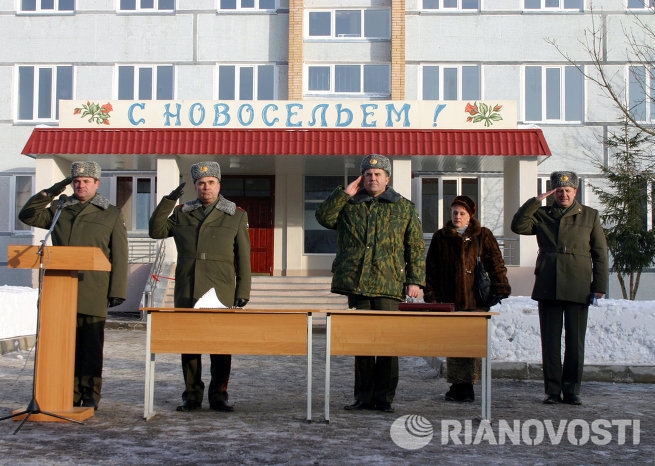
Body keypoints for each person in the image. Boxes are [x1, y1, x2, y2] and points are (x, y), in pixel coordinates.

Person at [315, 154, 425, 413]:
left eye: (378, 175)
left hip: (389, 284)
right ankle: (363, 397)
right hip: (359, 284)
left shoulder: (403, 207)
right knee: (363, 344)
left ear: (387, 178)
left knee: (387, 343)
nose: (373, 178)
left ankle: (384, 398)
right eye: (368, 174)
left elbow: (415, 247)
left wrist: (415, 280)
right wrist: (343, 194)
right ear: (361, 178)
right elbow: (323, 218)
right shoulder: (349, 205)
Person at [19, 161, 128, 410]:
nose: (81, 185)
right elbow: (27, 215)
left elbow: (119, 255)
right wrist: (51, 192)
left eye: (86, 181)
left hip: (93, 290)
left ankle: (89, 394)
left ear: (96, 184)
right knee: (61, 345)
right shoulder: (60, 209)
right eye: (76, 181)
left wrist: (117, 291)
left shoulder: (110, 213)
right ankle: (65, 391)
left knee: (90, 347)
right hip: (60, 289)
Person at [149, 161, 251, 413]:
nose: (206, 187)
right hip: (189, 287)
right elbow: (156, 230)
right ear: (195, 186)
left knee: (220, 347)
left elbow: (244, 258)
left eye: (211, 183)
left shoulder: (235, 214)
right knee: (190, 346)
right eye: (201, 183)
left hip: (219, 289)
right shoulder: (182, 212)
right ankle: (191, 395)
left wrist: (243, 290)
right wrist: (167, 202)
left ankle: (219, 395)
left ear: (219, 185)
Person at [511, 171, 608, 405]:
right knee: (551, 342)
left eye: (568, 190)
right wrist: (536, 201)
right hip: (549, 283)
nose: (564, 194)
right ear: (553, 193)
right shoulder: (543, 214)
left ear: (575, 192)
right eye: (559, 191)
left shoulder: (589, 216)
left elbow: (600, 253)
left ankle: (572, 389)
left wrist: (599, 285)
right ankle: (552, 391)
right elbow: (518, 225)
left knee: (575, 343)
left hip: (578, 284)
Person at [425, 195, 510, 402]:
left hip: (475, 300)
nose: (458, 216)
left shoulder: (483, 235)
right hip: (450, 299)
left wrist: (500, 286)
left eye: (462, 213)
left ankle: (469, 385)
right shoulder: (440, 237)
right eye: (455, 212)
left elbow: (496, 263)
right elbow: (431, 269)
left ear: (470, 216)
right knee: (454, 344)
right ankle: (456, 384)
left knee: (471, 345)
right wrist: (432, 295)